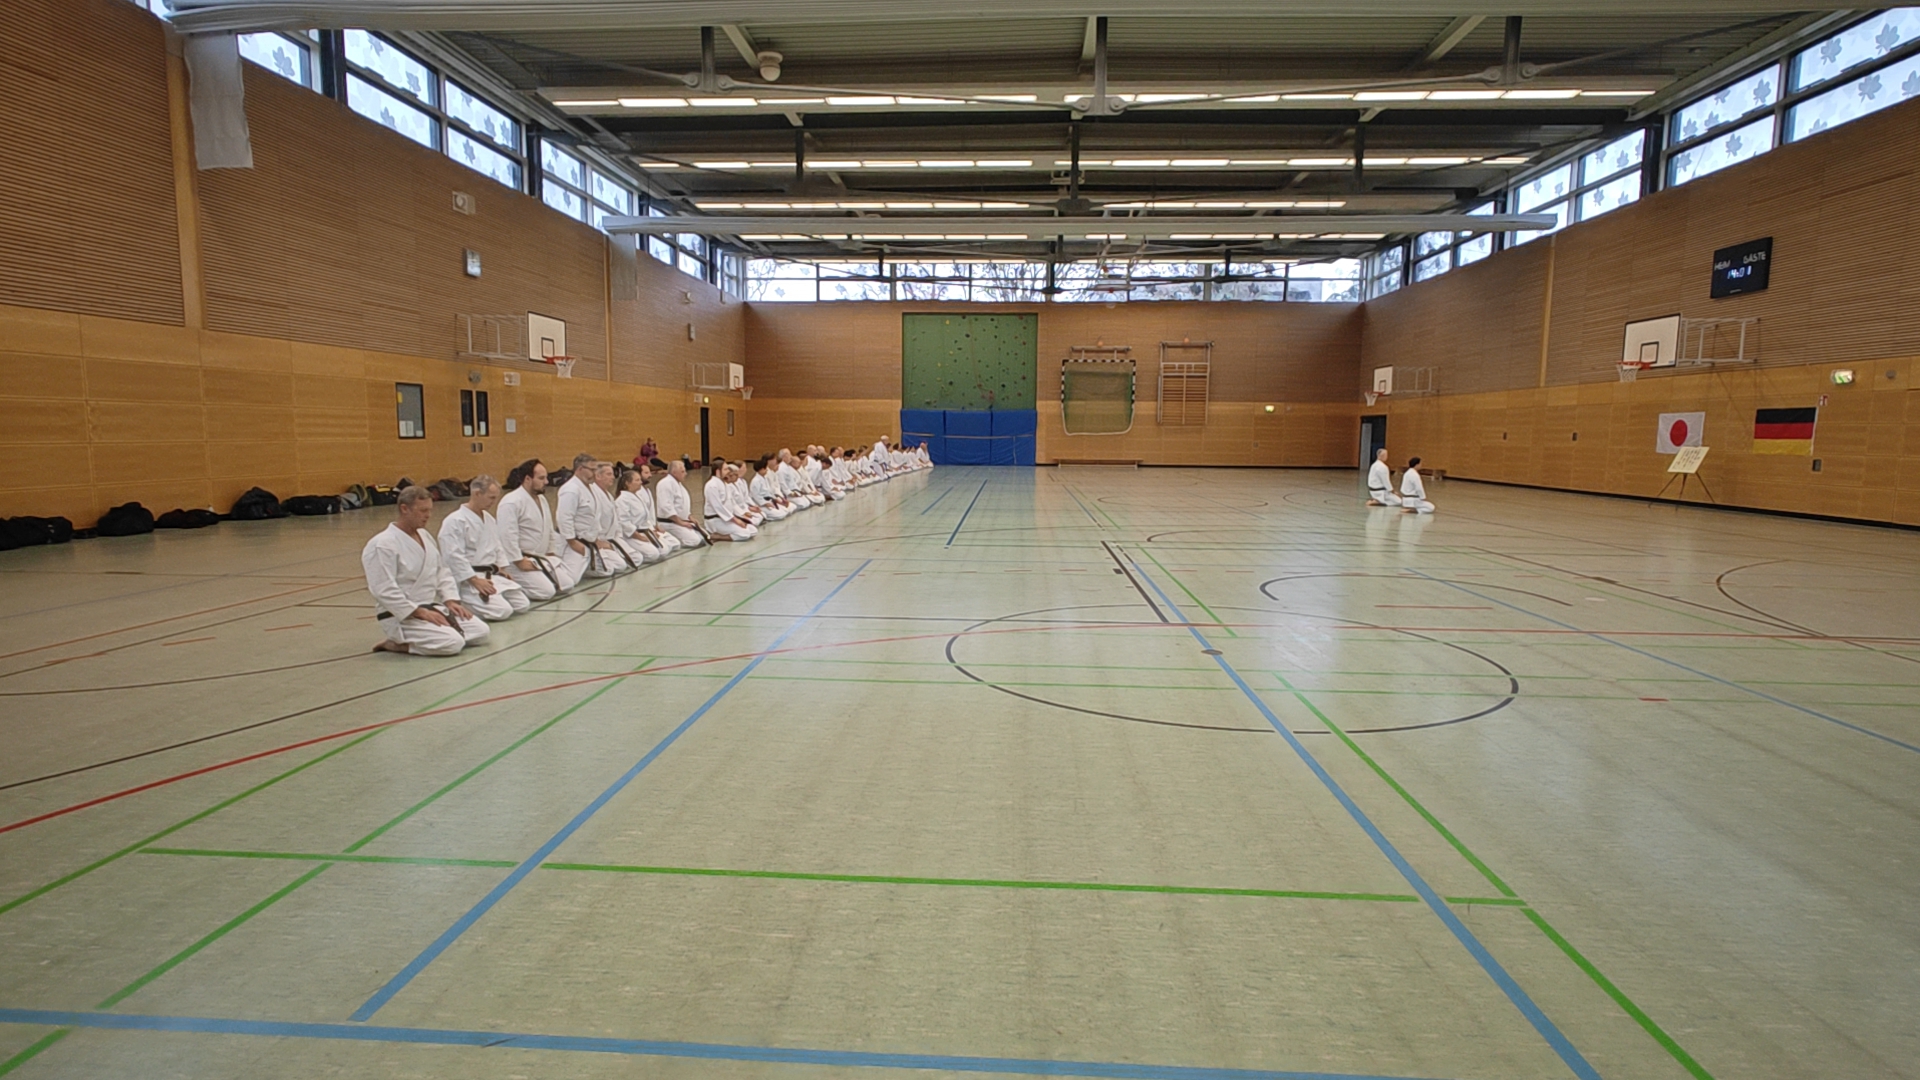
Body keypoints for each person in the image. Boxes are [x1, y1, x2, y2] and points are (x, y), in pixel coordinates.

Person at [363, 486, 489, 656]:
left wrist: (451, 600)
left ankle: (432, 637)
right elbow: (383, 589)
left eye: (429, 510)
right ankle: (398, 645)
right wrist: (418, 612)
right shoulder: (382, 544)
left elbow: (441, 572)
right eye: (422, 510)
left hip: (430, 608)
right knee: (453, 643)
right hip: (401, 615)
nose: (428, 515)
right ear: (404, 509)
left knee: (481, 631)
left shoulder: (425, 536)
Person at [438, 474, 528, 620]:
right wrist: (474, 580)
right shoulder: (455, 521)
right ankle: (465, 601)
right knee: (502, 611)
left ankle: (485, 600)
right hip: (469, 579)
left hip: (490, 575)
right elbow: (453, 556)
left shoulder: (489, 519)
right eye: (491, 498)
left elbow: (497, 546)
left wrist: (501, 569)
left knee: (522, 604)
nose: (494, 502)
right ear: (477, 494)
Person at [497, 459, 577, 600]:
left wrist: (552, 552)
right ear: (527, 479)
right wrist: (518, 560)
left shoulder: (542, 500)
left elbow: (549, 529)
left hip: (539, 558)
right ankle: (509, 584)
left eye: (545, 477)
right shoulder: (511, 501)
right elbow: (507, 535)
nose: (546, 482)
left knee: (567, 584)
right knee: (546, 592)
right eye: (541, 478)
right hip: (517, 561)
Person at [555, 453, 614, 580]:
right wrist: (572, 542)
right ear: (580, 469)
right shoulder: (570, 489)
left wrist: (597, 540)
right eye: (592, 469)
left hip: (590, 541)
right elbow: (564, 518)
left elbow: (593, 518)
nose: (594, 473)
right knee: (569, 580)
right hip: (575, 542)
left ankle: (585, 565)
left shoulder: (590, 488)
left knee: (608, 570)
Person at [615, 463, 675, 561]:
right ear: (627, 483)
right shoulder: (622, 500)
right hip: (631, 535)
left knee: (664, 550)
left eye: (640, 479)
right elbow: (624, 523)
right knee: (653, 554)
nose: (640, 482)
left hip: (644, 531)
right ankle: (626, 553)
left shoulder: (637, 496)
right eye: (637, 480)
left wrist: (652, 529)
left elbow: (646, 517)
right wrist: (638, 536)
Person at [594, 461, 642, 572]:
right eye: (609, 474)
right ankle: (588, 565)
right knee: (618, 566)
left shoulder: (608, 495)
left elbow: (616, 521)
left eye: (613, 474)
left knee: (636, 559)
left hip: (613, 537)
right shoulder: (593, 495)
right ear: (598, 476)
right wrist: (598, 542)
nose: (613, 477)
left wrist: (619, 538)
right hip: (599, 540)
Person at [655, 459, 707, 549]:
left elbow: (682, 505)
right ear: (674, 472)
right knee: (694, 541)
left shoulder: (678, 484)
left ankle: (677, 536)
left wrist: (690, 517)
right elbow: (666, 507)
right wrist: (681, 522)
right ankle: (670, 539)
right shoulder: (665, 483)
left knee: (704, 536)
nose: (686, 474)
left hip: (681, 521)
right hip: (670, 523)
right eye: (683, 471)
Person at [703, 461, 759, 541]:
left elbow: (732, 503)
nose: (728, 472)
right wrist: (736, 520)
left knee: (753, 530)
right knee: (745, 534)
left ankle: (724, 532)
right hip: (715, 520)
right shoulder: (711, 485)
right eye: (725, 469)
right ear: (718, 471)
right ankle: (716, 536)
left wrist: (743, 514)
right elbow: (718, 507)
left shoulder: (725, 484)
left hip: (727, 518)